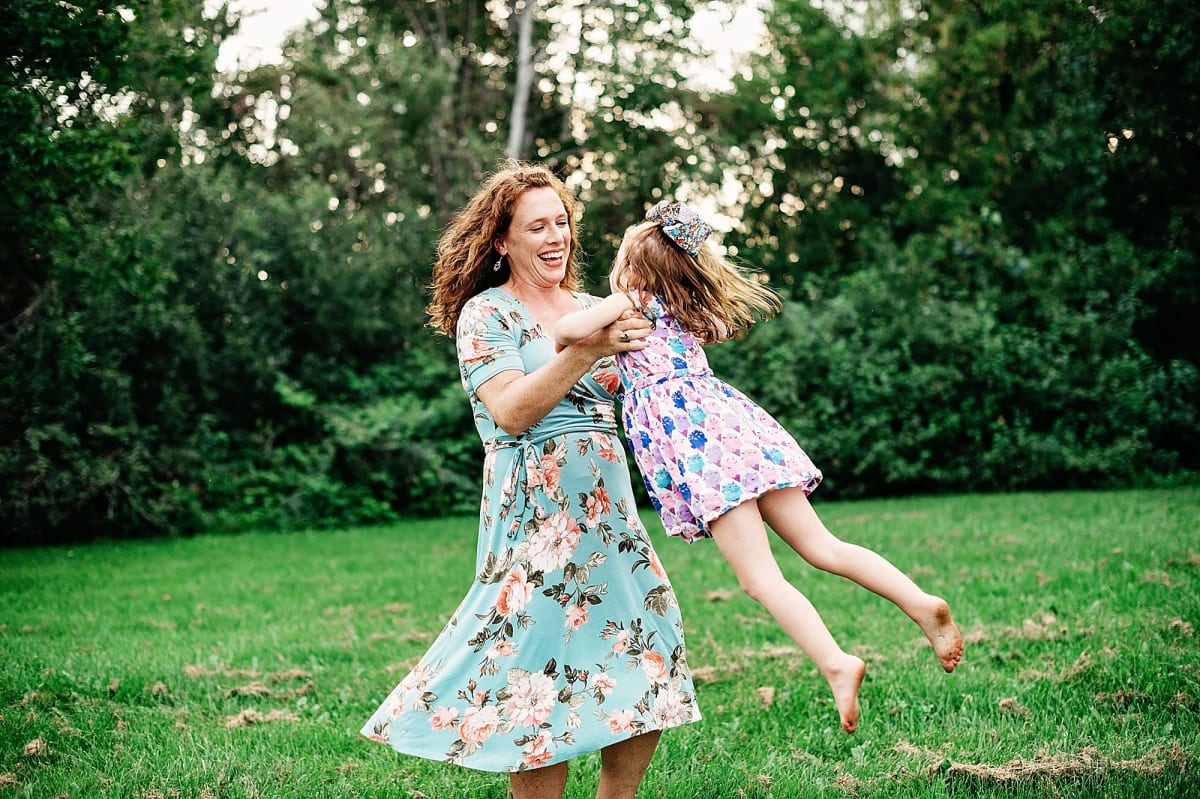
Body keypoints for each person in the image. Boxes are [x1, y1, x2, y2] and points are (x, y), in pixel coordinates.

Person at [554, 200, 964, 734]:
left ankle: (837, 663)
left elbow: (565, 331)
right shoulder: (685, 312)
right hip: (739, 436)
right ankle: (919, 602)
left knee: (759, 579)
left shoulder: (630, 302)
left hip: (704, 455)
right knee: (825, 547)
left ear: (635, 268)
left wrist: (612, 305)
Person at [360, 165, 702, 799]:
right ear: (502, 241)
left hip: (608, 511)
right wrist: (588, 351)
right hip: (533, 515)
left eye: (562, 222)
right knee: (533, 670)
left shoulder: (586, 308)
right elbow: (511, 411)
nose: (556, 236)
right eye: (536, 225)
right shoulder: (485, 314)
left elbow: (649, 393)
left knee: (648, 639)